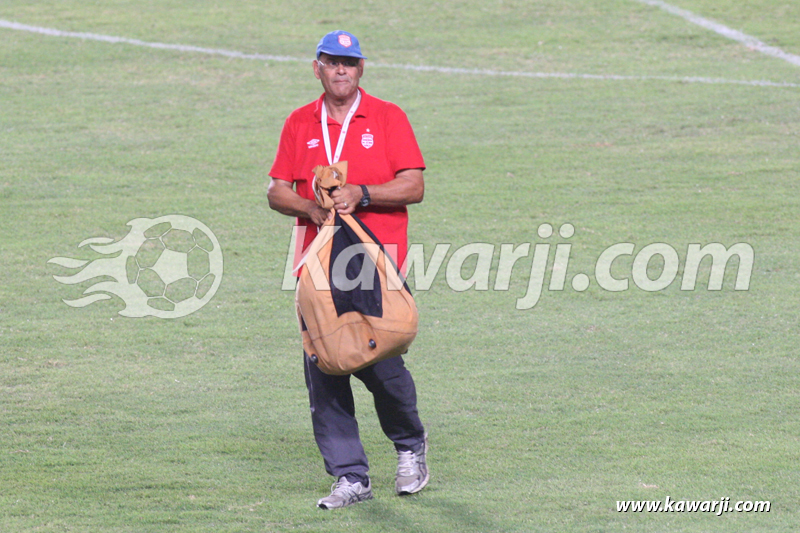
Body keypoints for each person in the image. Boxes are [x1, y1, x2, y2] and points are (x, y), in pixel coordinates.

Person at [267, 30, 429, 510]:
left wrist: (363, 193)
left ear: (361, 70)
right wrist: (311, 209)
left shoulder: (386, 116)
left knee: (380, 360)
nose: (342, 70)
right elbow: (275, 190)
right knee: (323, 367)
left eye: (350, 63)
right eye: (332, 62)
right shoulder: (300, 122)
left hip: (374, 262)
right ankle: (350, 476)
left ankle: (409, 446)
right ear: (316, 67)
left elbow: (414, 185)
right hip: (316, 266)